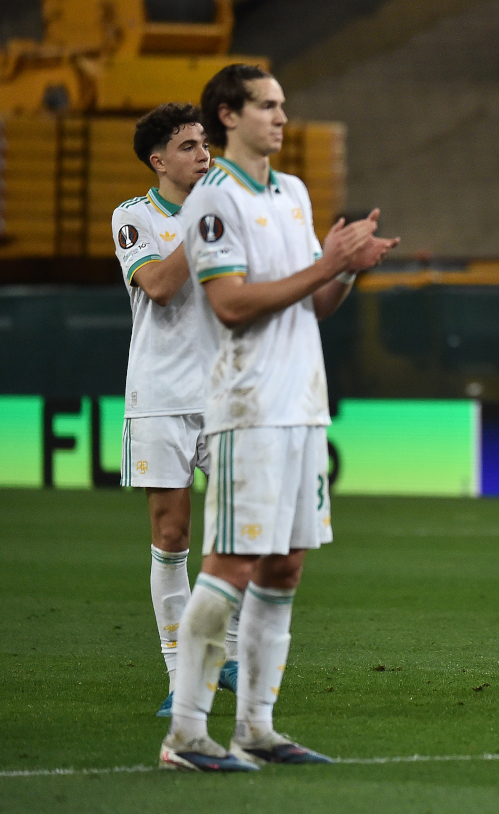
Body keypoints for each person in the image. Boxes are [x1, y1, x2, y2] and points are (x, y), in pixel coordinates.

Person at [159, 64, 398, 772]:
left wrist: (348, 268)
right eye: (267, 106)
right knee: (231, 562)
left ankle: (256, 728)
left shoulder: (292, 192)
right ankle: (186, 735)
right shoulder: (213, 200)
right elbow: (231, 304)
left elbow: (311, 303)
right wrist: (328, 263)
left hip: (303, 405)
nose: (281, 118)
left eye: (283, 106)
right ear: (228, 116)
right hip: (250, 405)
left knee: (285, 566)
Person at [113, 103, 240, 718]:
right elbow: (160, 287)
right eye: (189, 146)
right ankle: (181, 676)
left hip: (225, 392)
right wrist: (202, 222)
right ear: (159, 160)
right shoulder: (133, 218)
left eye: (206, 144)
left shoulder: (233, 211)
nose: (204, 153)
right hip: (160, 397)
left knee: (243, 527)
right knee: (172, 536)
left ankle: (231, 654)